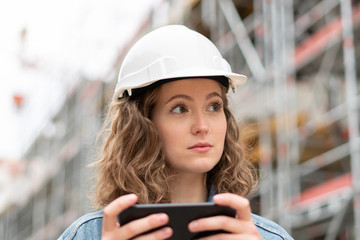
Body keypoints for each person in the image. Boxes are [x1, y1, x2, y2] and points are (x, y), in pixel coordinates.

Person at [59, 25, 293, 240]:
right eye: (180, 108)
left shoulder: (267, 237)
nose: (202, 125)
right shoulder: (88, 235)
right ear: (141, 124)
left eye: (214, 106)